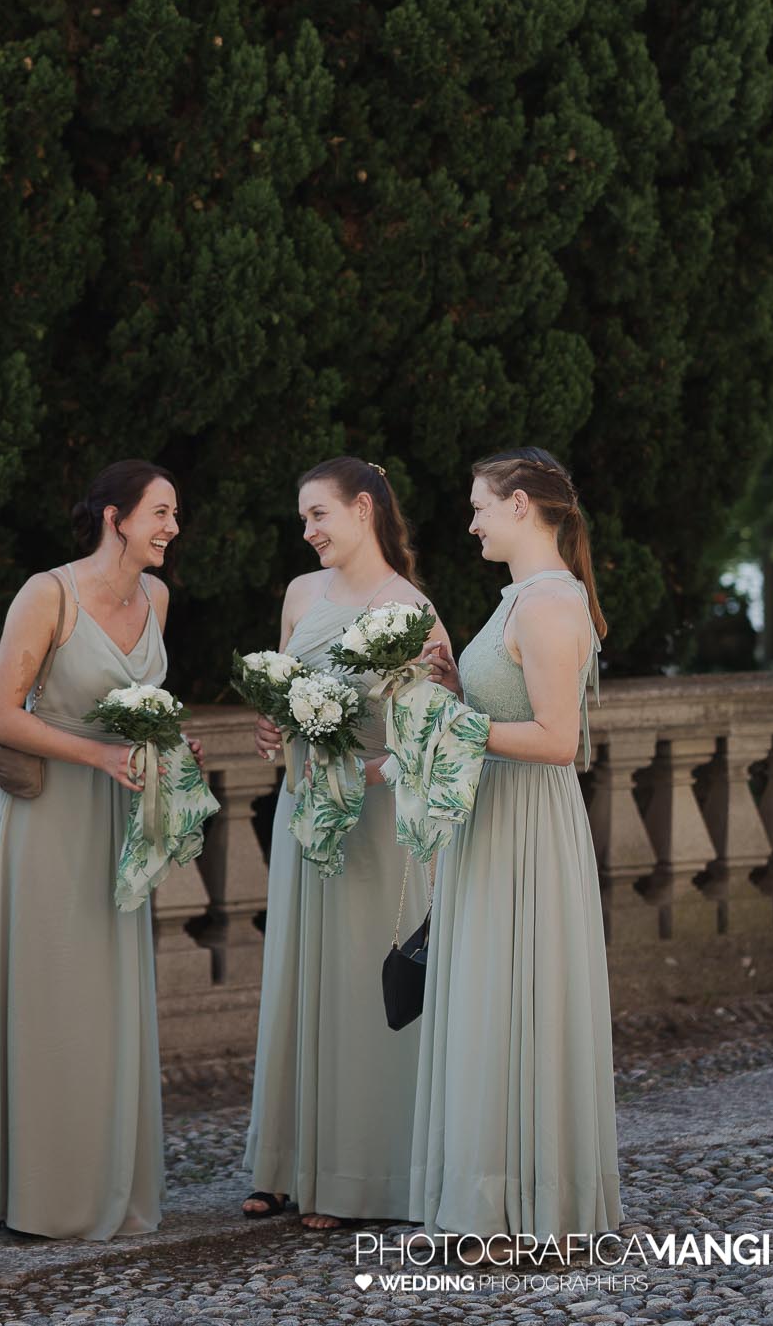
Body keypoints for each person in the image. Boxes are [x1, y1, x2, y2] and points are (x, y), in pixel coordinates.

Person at [0, 459, 201, 1240]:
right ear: (113, 517)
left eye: (172, 514)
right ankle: (35, 1195)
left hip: (122, 822)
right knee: (52, 999)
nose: (171, 526)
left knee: (107, 1003)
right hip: (51, 821)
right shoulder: (48, 594)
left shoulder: (157, 597)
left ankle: (105, 1184)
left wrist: (167, 741)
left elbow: (143, 708)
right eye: (160, 512)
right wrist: (98, 756)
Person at [411, 446, 622, 1251]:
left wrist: (449, 725)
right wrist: (449, 693)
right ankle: (488, 1197)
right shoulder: (520, 600)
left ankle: (522, 1202)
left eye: (479, 506)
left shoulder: (544, 605)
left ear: (522, 504)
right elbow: (507, 713)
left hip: (525, 825)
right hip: (491, 818)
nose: (470, 521)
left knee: (517, 1000)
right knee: (487, 1005)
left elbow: (556, 741)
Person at [243, 457, 445, 1229]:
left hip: (376, 827)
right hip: (305, 818)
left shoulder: (411, 609)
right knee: (300, 980)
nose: (308, 531)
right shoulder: (301, 594)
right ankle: (291, 1167)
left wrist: (368, 769)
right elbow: (287, 705)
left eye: (318, 514)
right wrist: (273, 728)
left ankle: (362, 1175)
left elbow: (436, 733)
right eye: (302, 519)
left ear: (363, 509)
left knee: (362, 991)